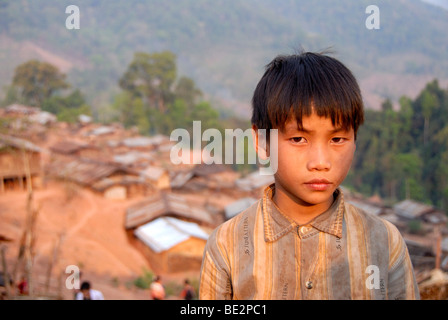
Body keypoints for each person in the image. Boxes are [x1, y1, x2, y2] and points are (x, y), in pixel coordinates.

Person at [199, 50, 420, 300]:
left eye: (337, 139)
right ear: (262, 141)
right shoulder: (227, 245)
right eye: (298, 139)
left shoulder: (384, 241)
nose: (321, 162)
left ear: (355, 140)